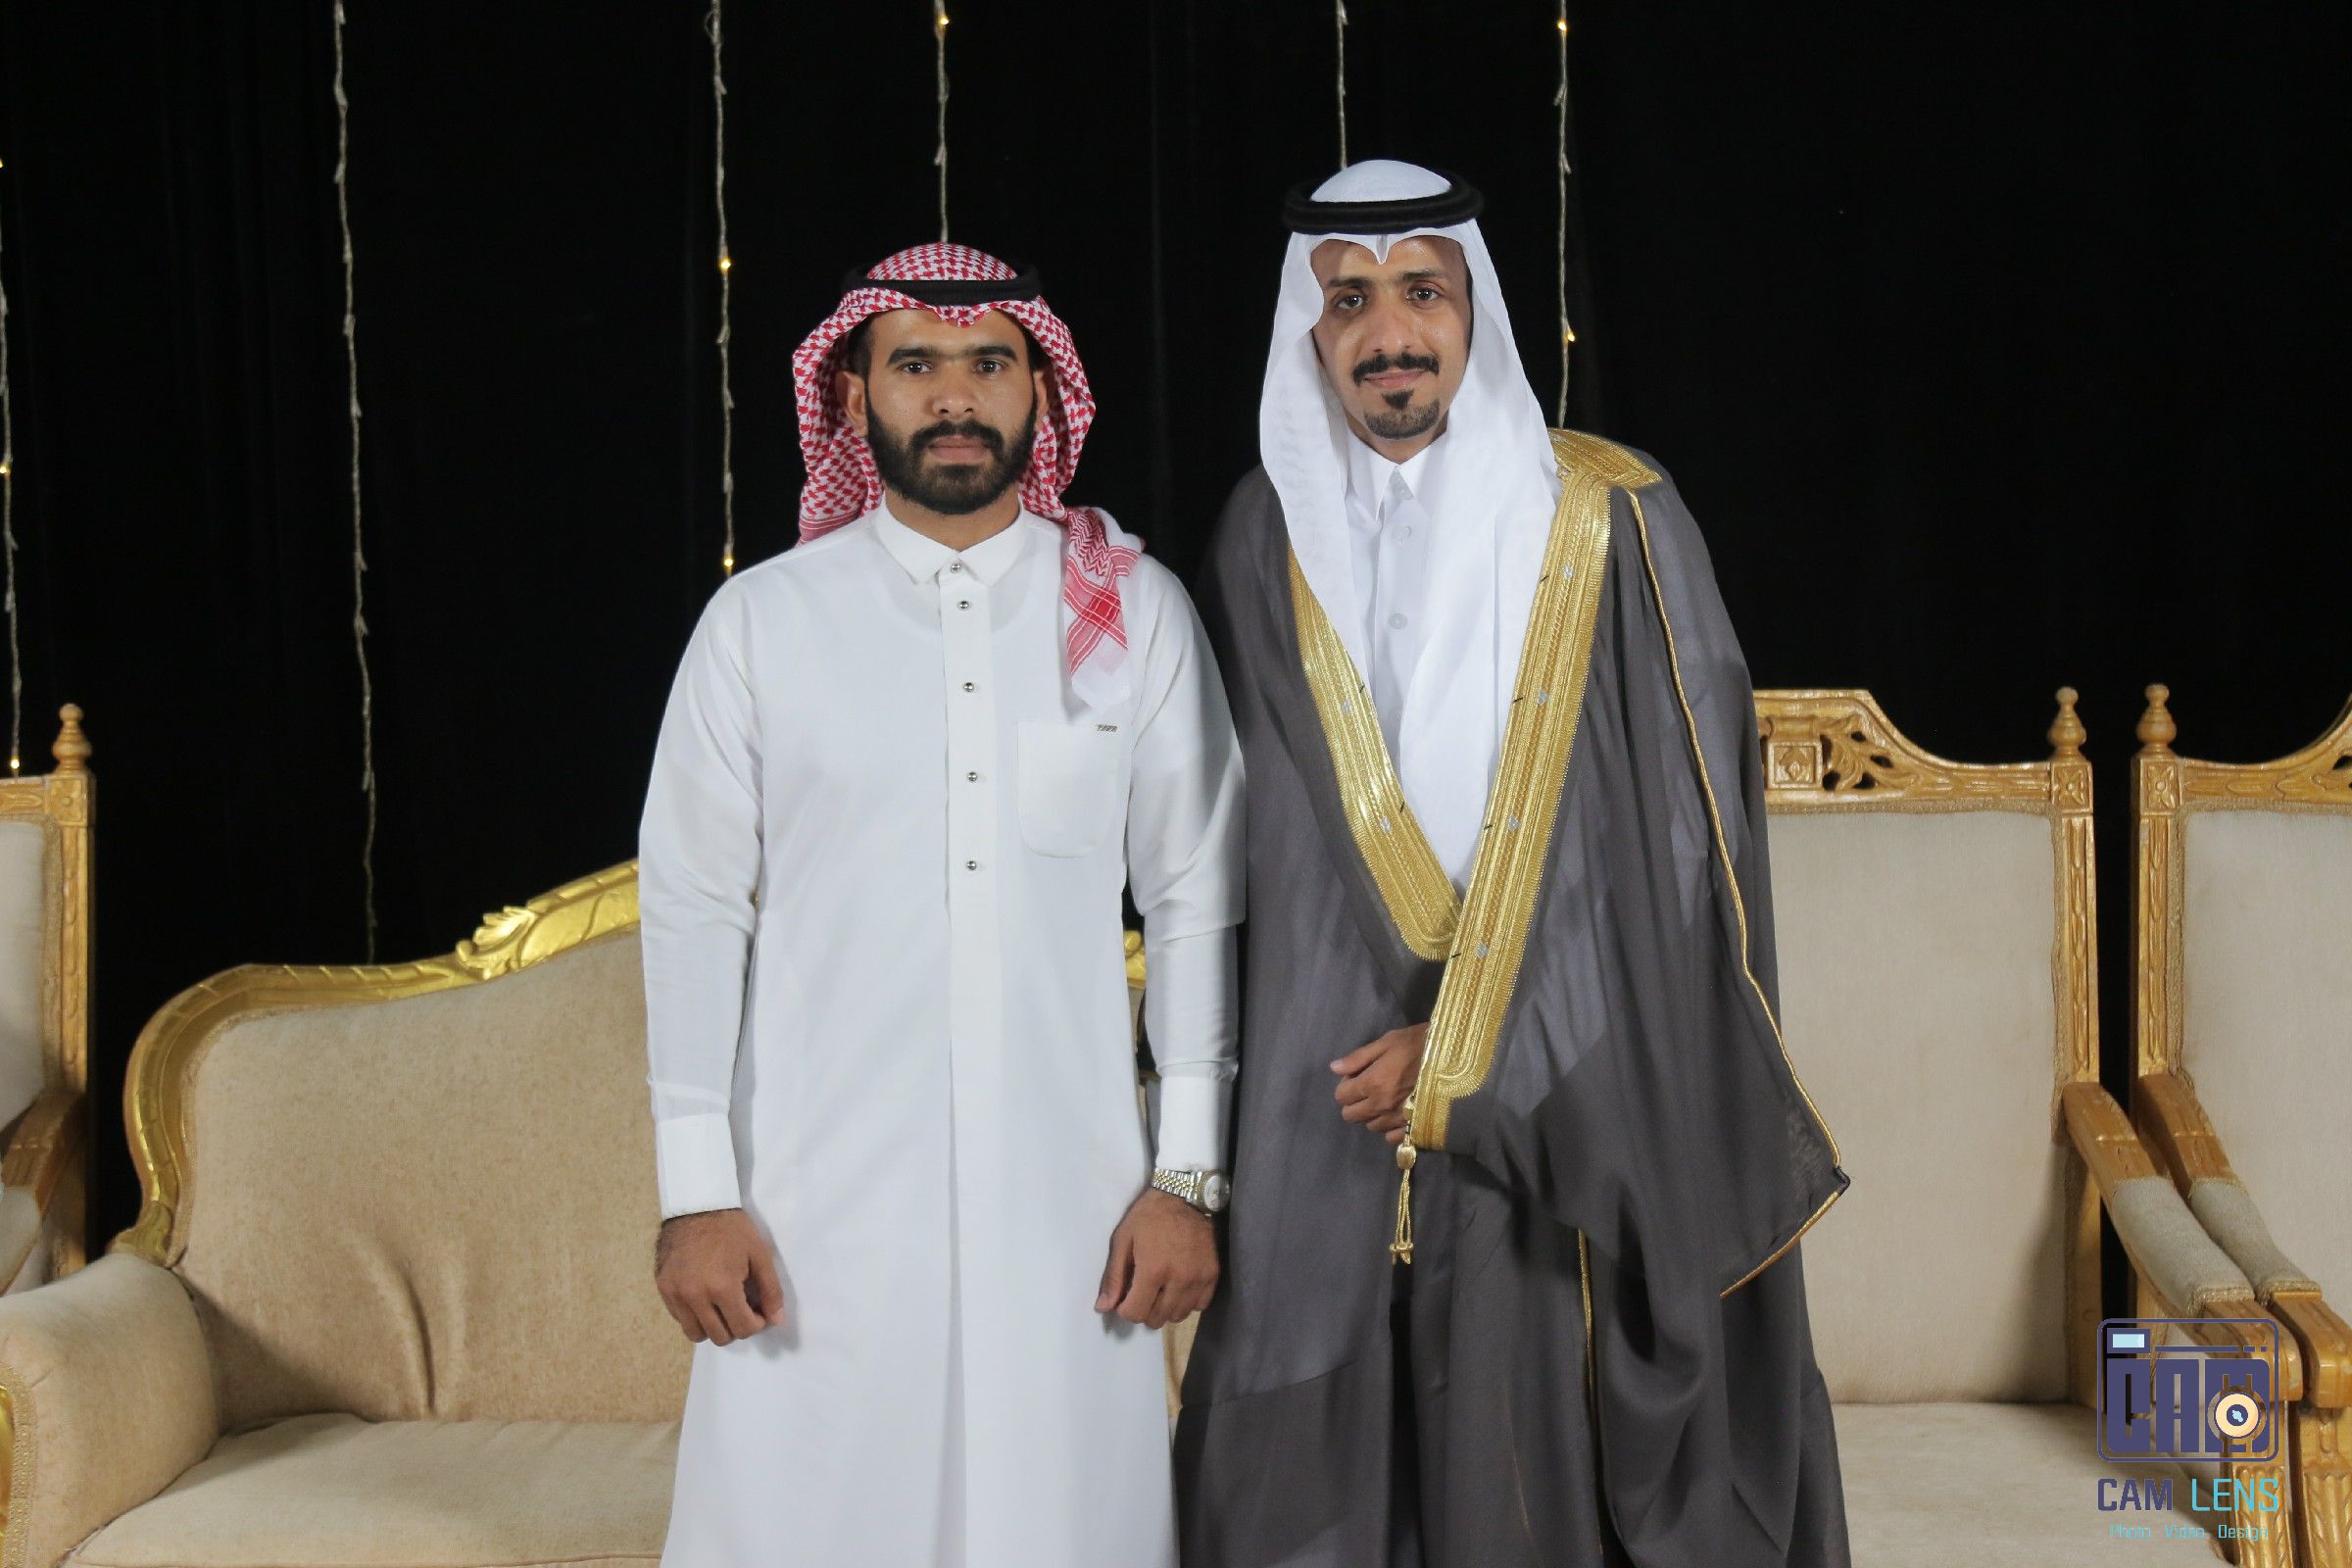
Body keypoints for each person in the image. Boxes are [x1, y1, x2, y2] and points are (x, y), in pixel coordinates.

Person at [1173, 161, 1851, 1566]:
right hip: (1323, 1097)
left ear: (1474, 306)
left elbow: (1680, 861)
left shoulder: (1613, 516)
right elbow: (1256, 852)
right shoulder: (1258, 535)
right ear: (1310, 331)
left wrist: (1476, 1050)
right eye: (1349, 301)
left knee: (1527, 1462)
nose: (1389, 332)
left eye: (1422, 291)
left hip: (1570, 1095)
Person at [638, 242, 1245, 1567]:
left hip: (1072, 1218)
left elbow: (1196, 904)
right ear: (855, 393)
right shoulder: (760, 624)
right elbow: (691, 910)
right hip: (814, 1217)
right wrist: (697, 1194)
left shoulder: (1133, 613)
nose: (955, 395)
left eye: (989, 364)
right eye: (916, 364)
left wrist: (1186, 1178)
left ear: (1043, 391)